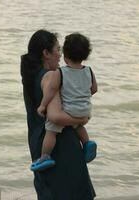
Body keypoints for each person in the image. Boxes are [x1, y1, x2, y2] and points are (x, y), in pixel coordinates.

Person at [21, 29, 96, 199]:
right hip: (62, 149)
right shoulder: (50, 77)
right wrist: (81, 119)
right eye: (57, 50)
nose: (60, 55)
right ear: (46, 53)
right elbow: (55, 116)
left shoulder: (31, 76)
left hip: (40, 145)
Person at [31, 33, 98, 171]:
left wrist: (43, 105)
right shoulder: (89, 71)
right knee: (78, 125)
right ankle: (86, 142)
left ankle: (45, 156)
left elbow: (51, 90)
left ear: (66, 56)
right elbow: (94, 89)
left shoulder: (60, 73)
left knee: (51, 130)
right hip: (85, 109)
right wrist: (82, 96)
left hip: (69, 110)